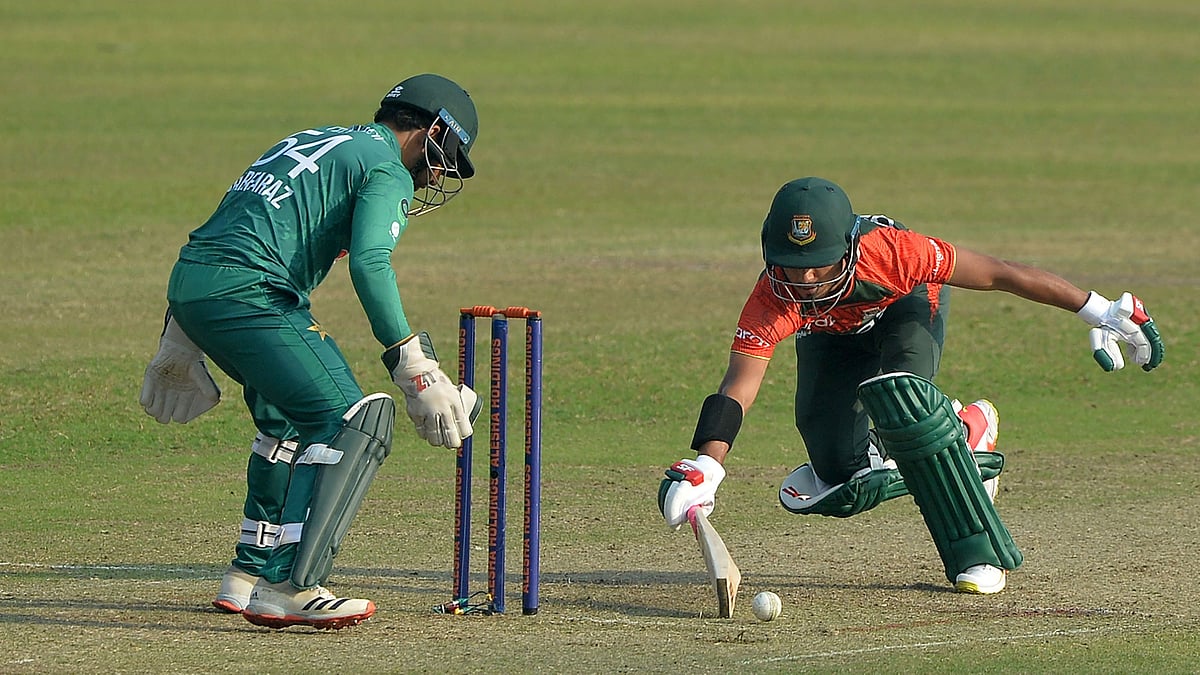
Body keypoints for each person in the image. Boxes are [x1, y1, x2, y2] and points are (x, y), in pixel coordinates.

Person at [659, 176, 1164, 595]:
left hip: (904, 312)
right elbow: (738, 384)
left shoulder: (895, 253)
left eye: (821, 263)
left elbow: (1001, 274)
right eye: (792, 264)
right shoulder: (774, 295)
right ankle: (957, 441)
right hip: (832, 339)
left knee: (903, 400)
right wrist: (708, 465)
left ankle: (970, 513)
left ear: (850, 247)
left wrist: (1098, 309)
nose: (807, 278)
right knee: (837, 473)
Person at [138, 74, 483, 629]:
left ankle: (247, 574)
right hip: (249, 292)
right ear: (433, 129)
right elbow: (372, 262)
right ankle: (291, 585)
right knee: (351, 421)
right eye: (449, 155)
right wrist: (413, 365)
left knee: (288, 422)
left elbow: (226, 228)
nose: (441, 173)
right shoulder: (387, 167)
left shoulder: (313, 140)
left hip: (194, 284)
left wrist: (181, 329)